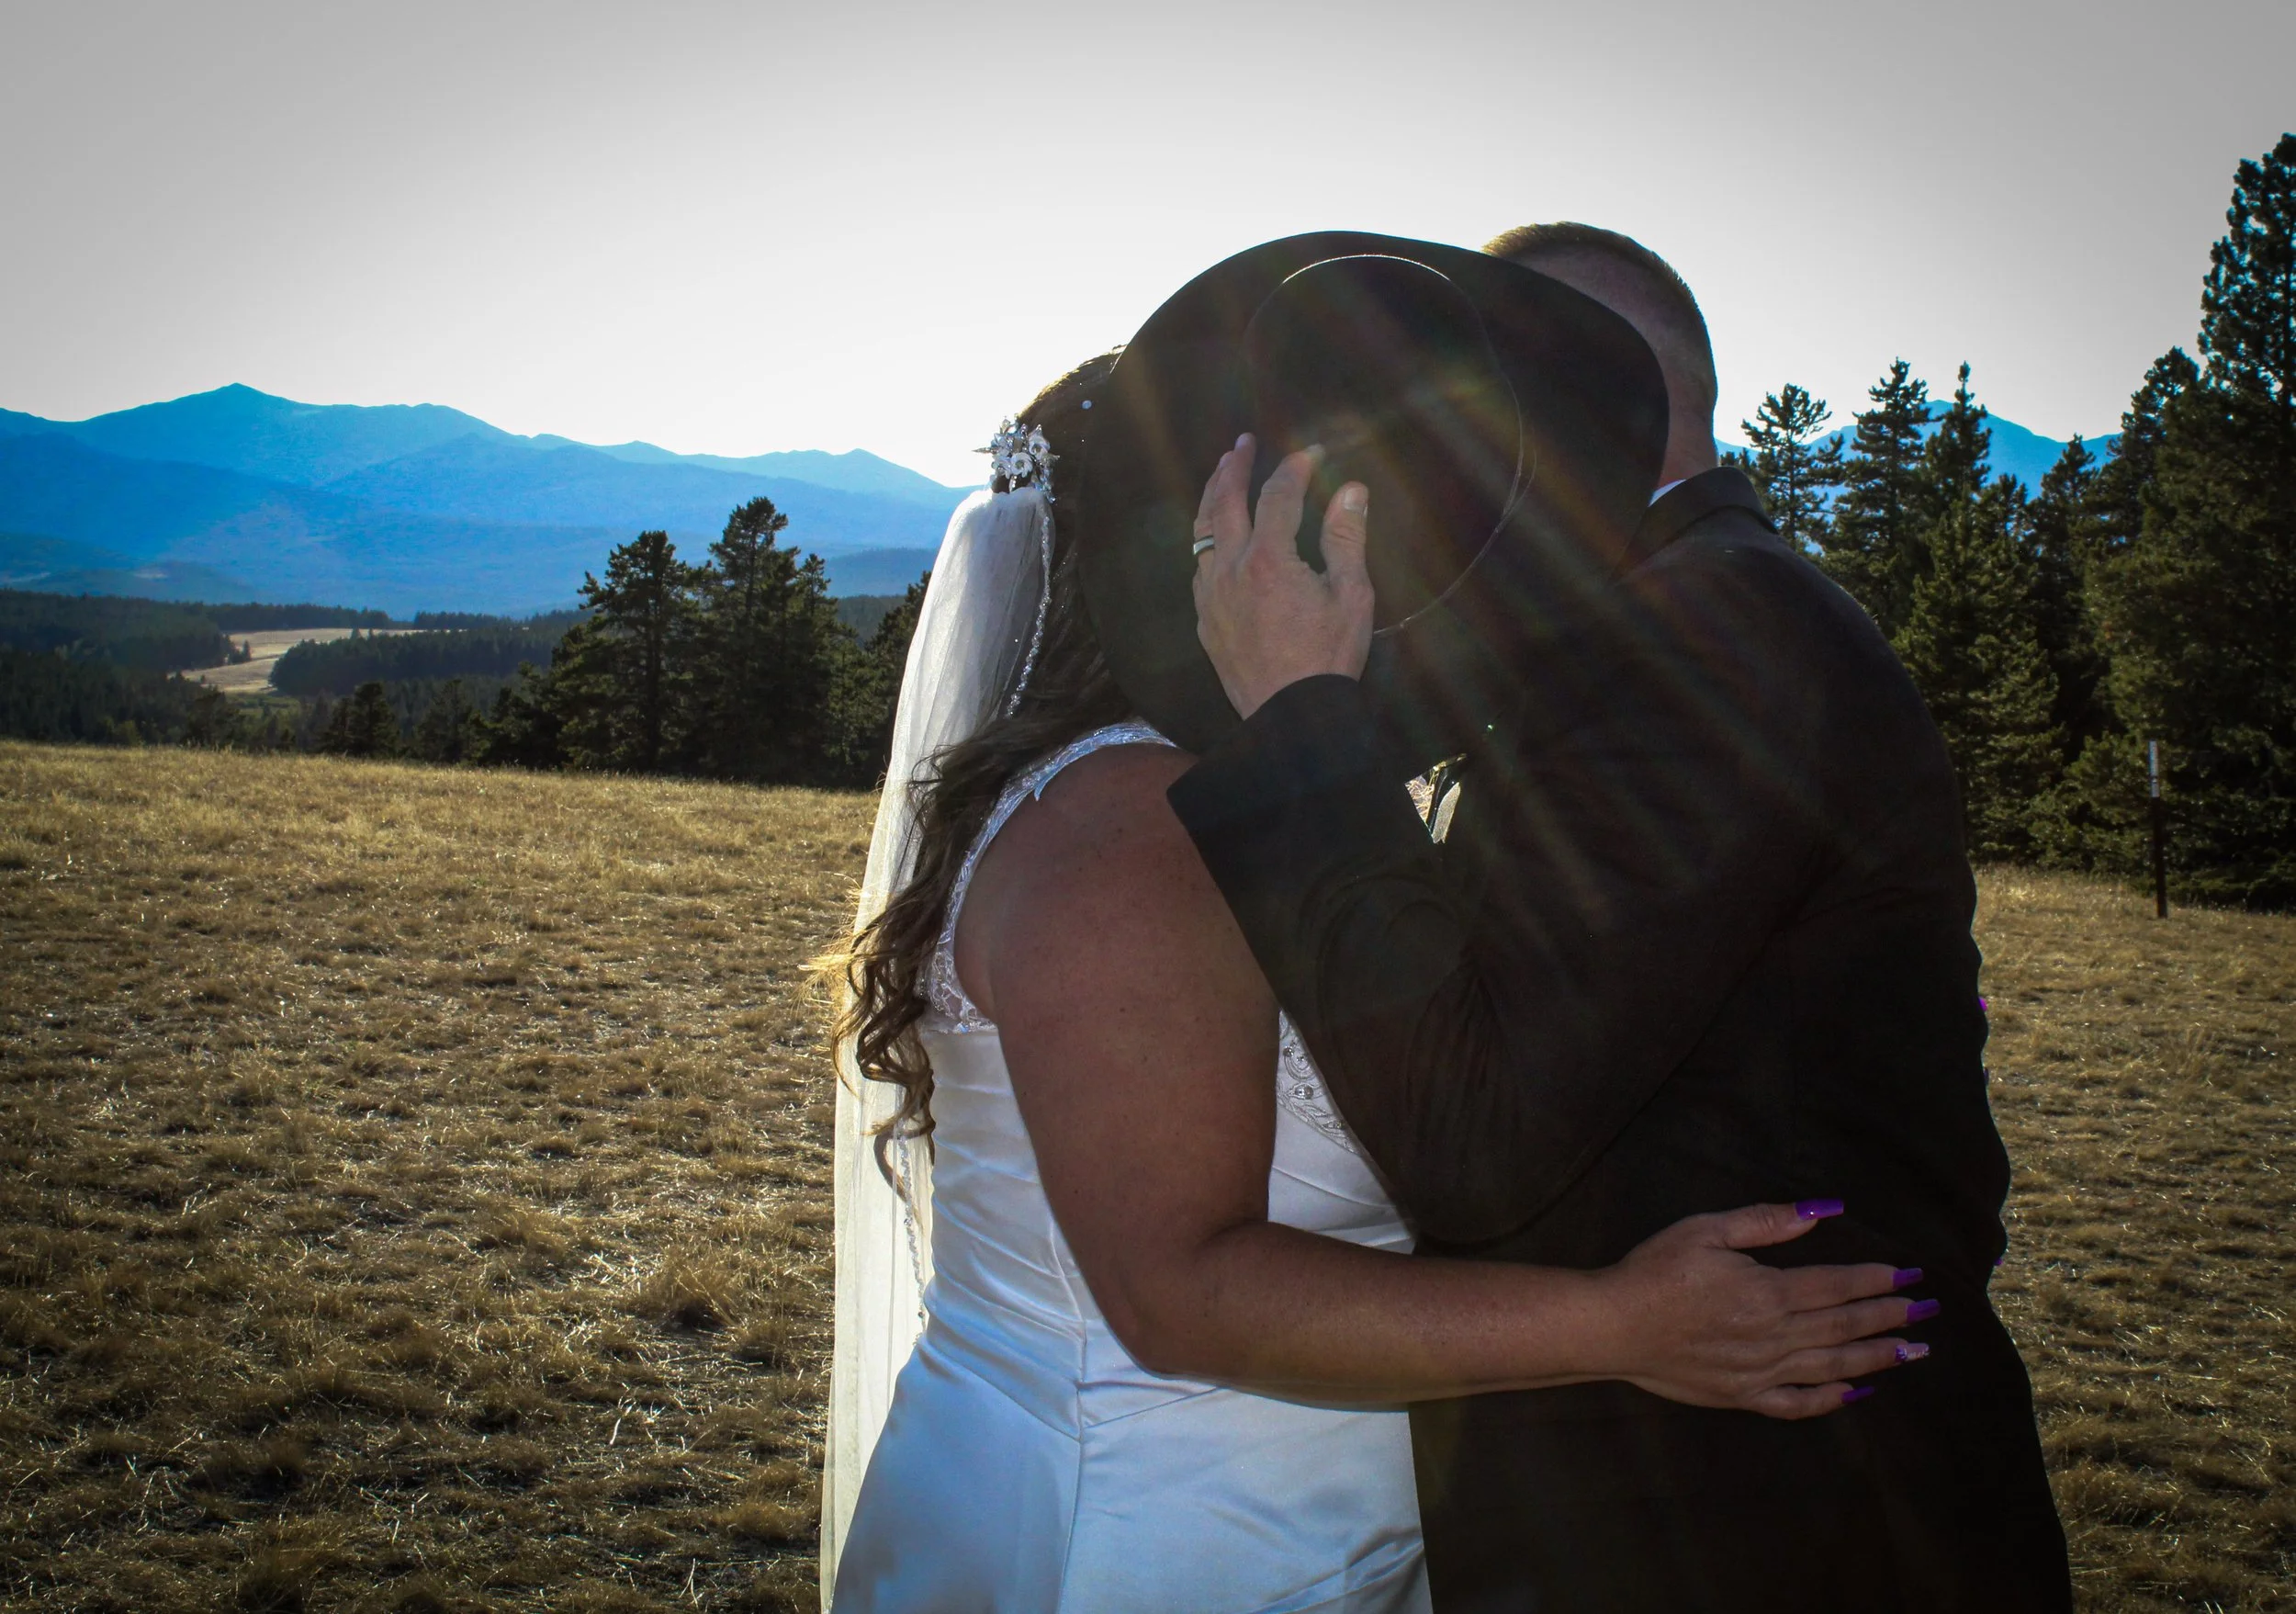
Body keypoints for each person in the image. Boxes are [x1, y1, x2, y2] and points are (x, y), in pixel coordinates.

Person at [823, 345, 1933, 1612]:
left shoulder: (1227, 801)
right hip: (1143, 1538)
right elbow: (1177, 1293)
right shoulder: (1139, 831)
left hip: (1291, 1527)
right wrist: (1631, 1327)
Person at [1166, 225, 2073, 1609]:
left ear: (1597, 397)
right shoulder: (1648, 617)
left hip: (1761, 1521)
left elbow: (1471, 1135)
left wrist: (1299, 721)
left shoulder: (1715, 637)